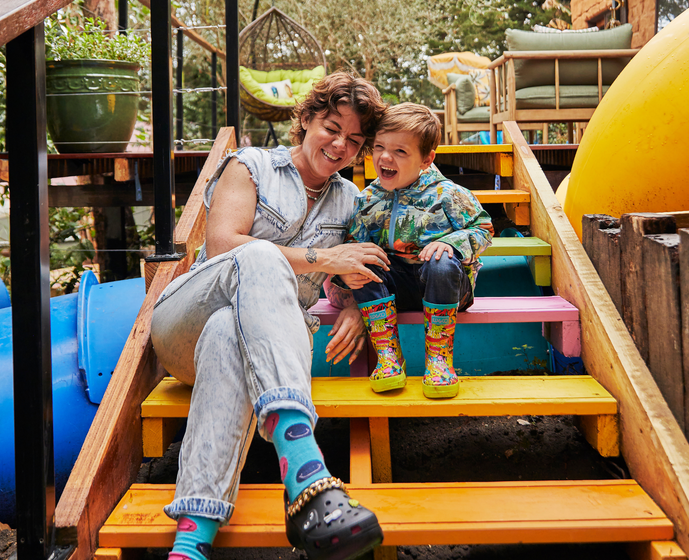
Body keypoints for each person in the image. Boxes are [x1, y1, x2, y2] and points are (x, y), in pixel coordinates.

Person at [150, 72, 389, 560]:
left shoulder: (351, 201)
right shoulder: (252, 164)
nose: (341, 145)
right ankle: (306, 470)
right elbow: (223, 245)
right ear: (304, 119)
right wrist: (325, 259)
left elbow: (371, 267)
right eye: (331, 127)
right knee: (257, 258)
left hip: (250, 347)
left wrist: (360, 310)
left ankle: (191, 543)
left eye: (355, 140)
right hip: (183, 326)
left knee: (228, 333)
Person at [336, 103, 493, 399]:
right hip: (394, 288)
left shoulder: (448, 193)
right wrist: (345, 278)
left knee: (441, 261)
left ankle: (439, 360)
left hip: (445, 286)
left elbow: (483, 229)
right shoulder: (367, 199)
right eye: (379, 146)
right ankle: (389, 358)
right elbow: (350, 245)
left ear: (426, 159)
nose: (384, 157)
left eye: (400, 151)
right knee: (362, 261)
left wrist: (450, 243)